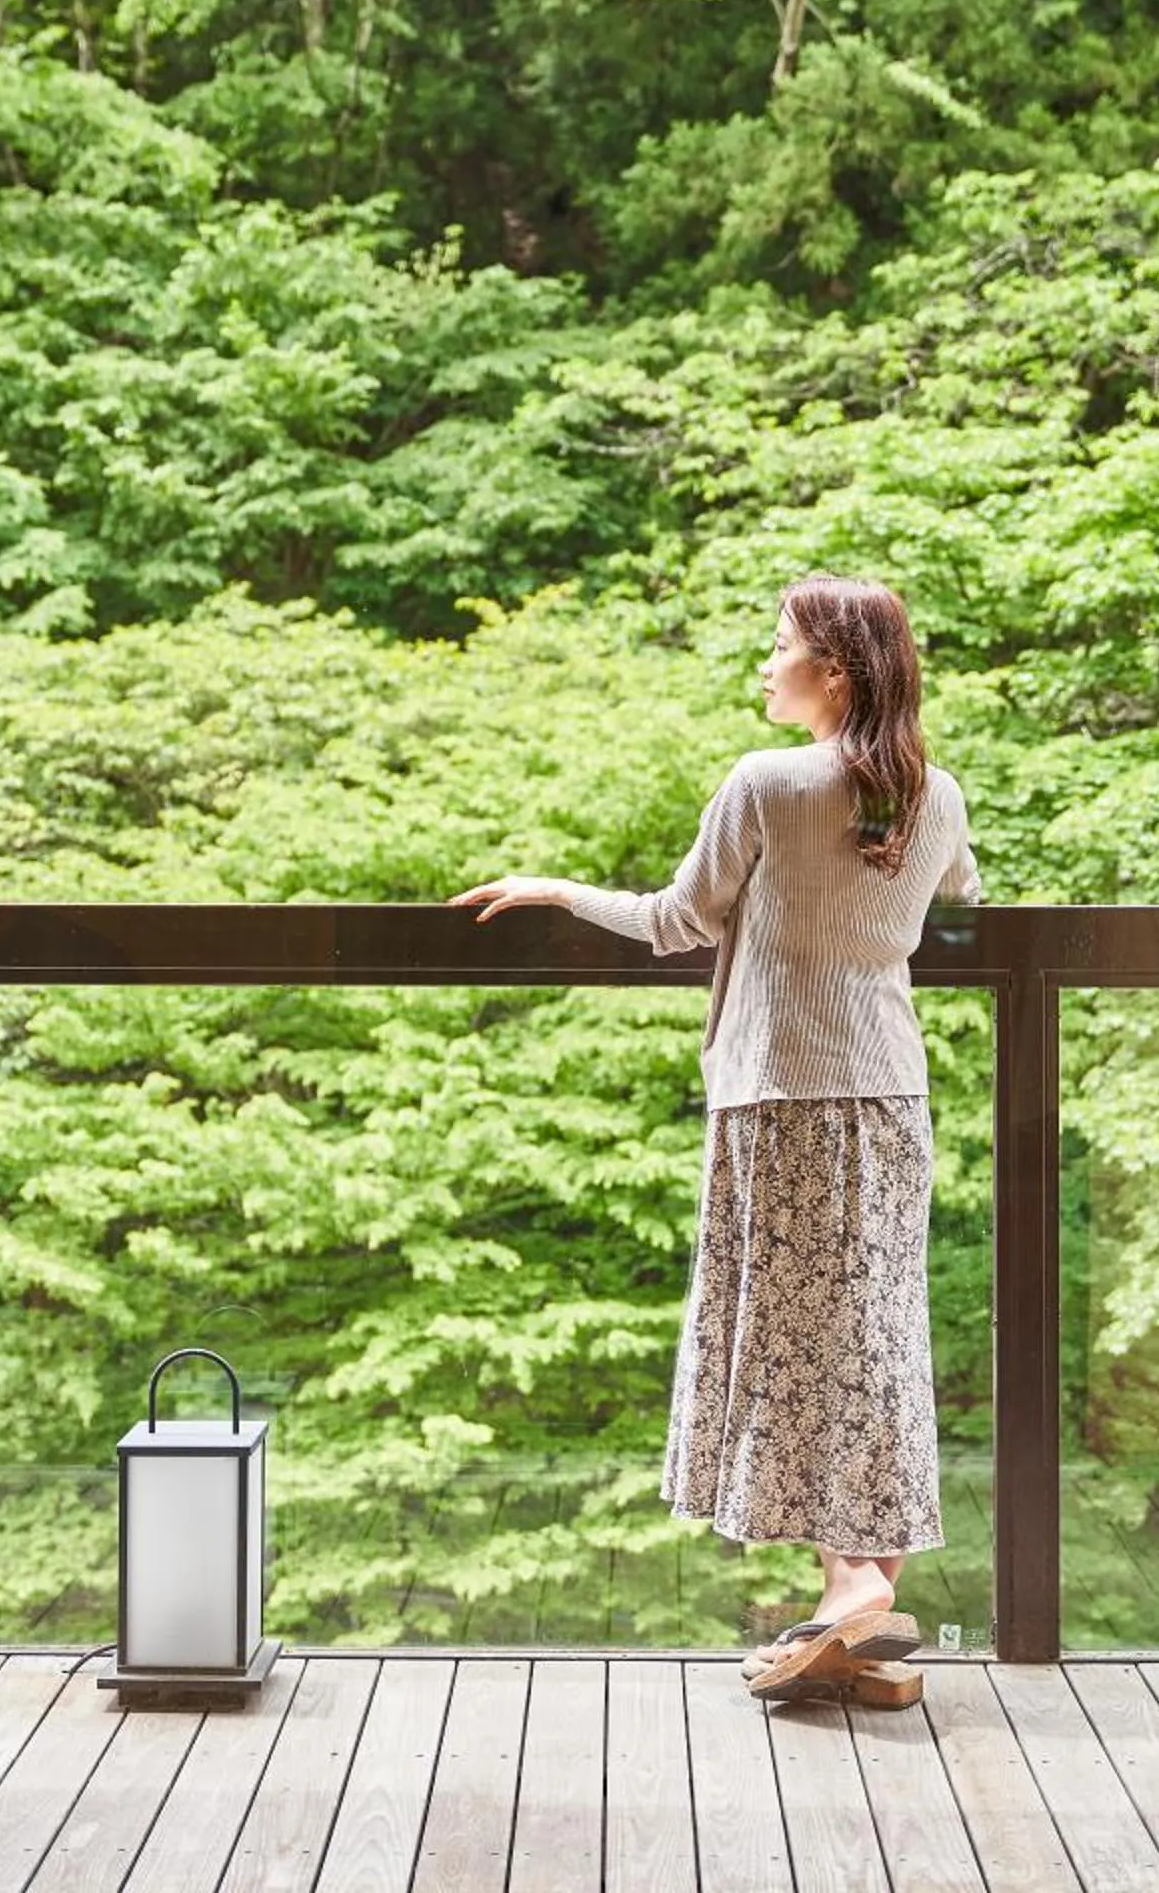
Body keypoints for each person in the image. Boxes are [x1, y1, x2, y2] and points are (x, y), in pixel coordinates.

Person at [450, 573, 981, 1704]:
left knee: (794, 1343)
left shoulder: (767, 783)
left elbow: (673, 919)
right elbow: (957, 899)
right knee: (874, 1333)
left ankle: (852, 1590)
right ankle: (863, 1623)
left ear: (832, 671)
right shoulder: (937, 794)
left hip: (780, 1099)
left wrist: (554, 886)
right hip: (890, 1099)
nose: (765, 664)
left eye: (780, 646)